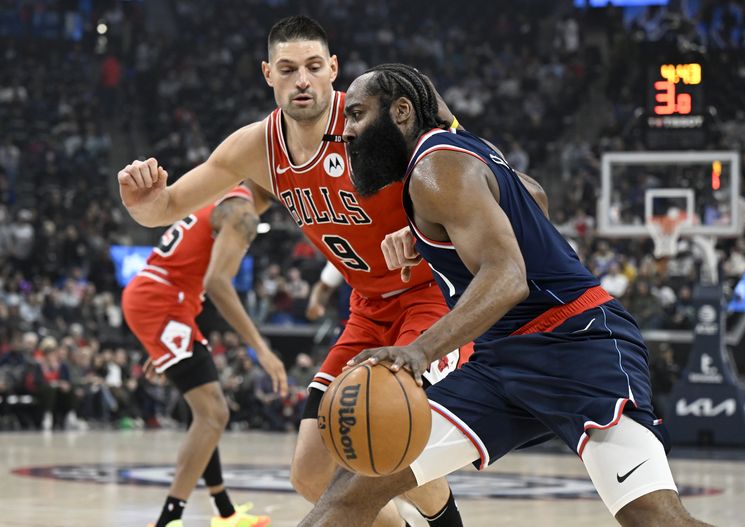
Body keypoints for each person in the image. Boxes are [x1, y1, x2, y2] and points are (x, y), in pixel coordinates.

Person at [296, 64, 712, 527]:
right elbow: (533, 196)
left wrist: (417, 351)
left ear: (401, 112)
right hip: (501, 362)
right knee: (354, 485)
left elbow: (508, 277)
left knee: (654, 519)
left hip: (578, 344)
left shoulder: (435, 167)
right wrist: (433, 237)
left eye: (356, 115)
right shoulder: (462, 151)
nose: (347, 132)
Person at [117, 16, 468, 527]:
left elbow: (472, 170)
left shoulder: (379, 119)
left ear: (333, 69)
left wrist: (426, 229)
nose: (301, 79)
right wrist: (140, 201)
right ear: (268, 74)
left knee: (390, 424)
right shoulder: (256, 147)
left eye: (311, 67)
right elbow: (165, 205)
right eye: (287, 69)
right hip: (368, 308)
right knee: (309, 473)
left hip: (433, 296)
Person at [122, 184, 286, 527]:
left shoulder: (223, 196)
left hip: (168, 301)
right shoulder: (242, 212)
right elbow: (217, 283)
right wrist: (262, 349)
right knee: (213, 413)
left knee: (207, 415)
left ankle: (225, 512)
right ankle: (170, 519)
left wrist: (162, 344)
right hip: (164, 301)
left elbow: (191, 268)